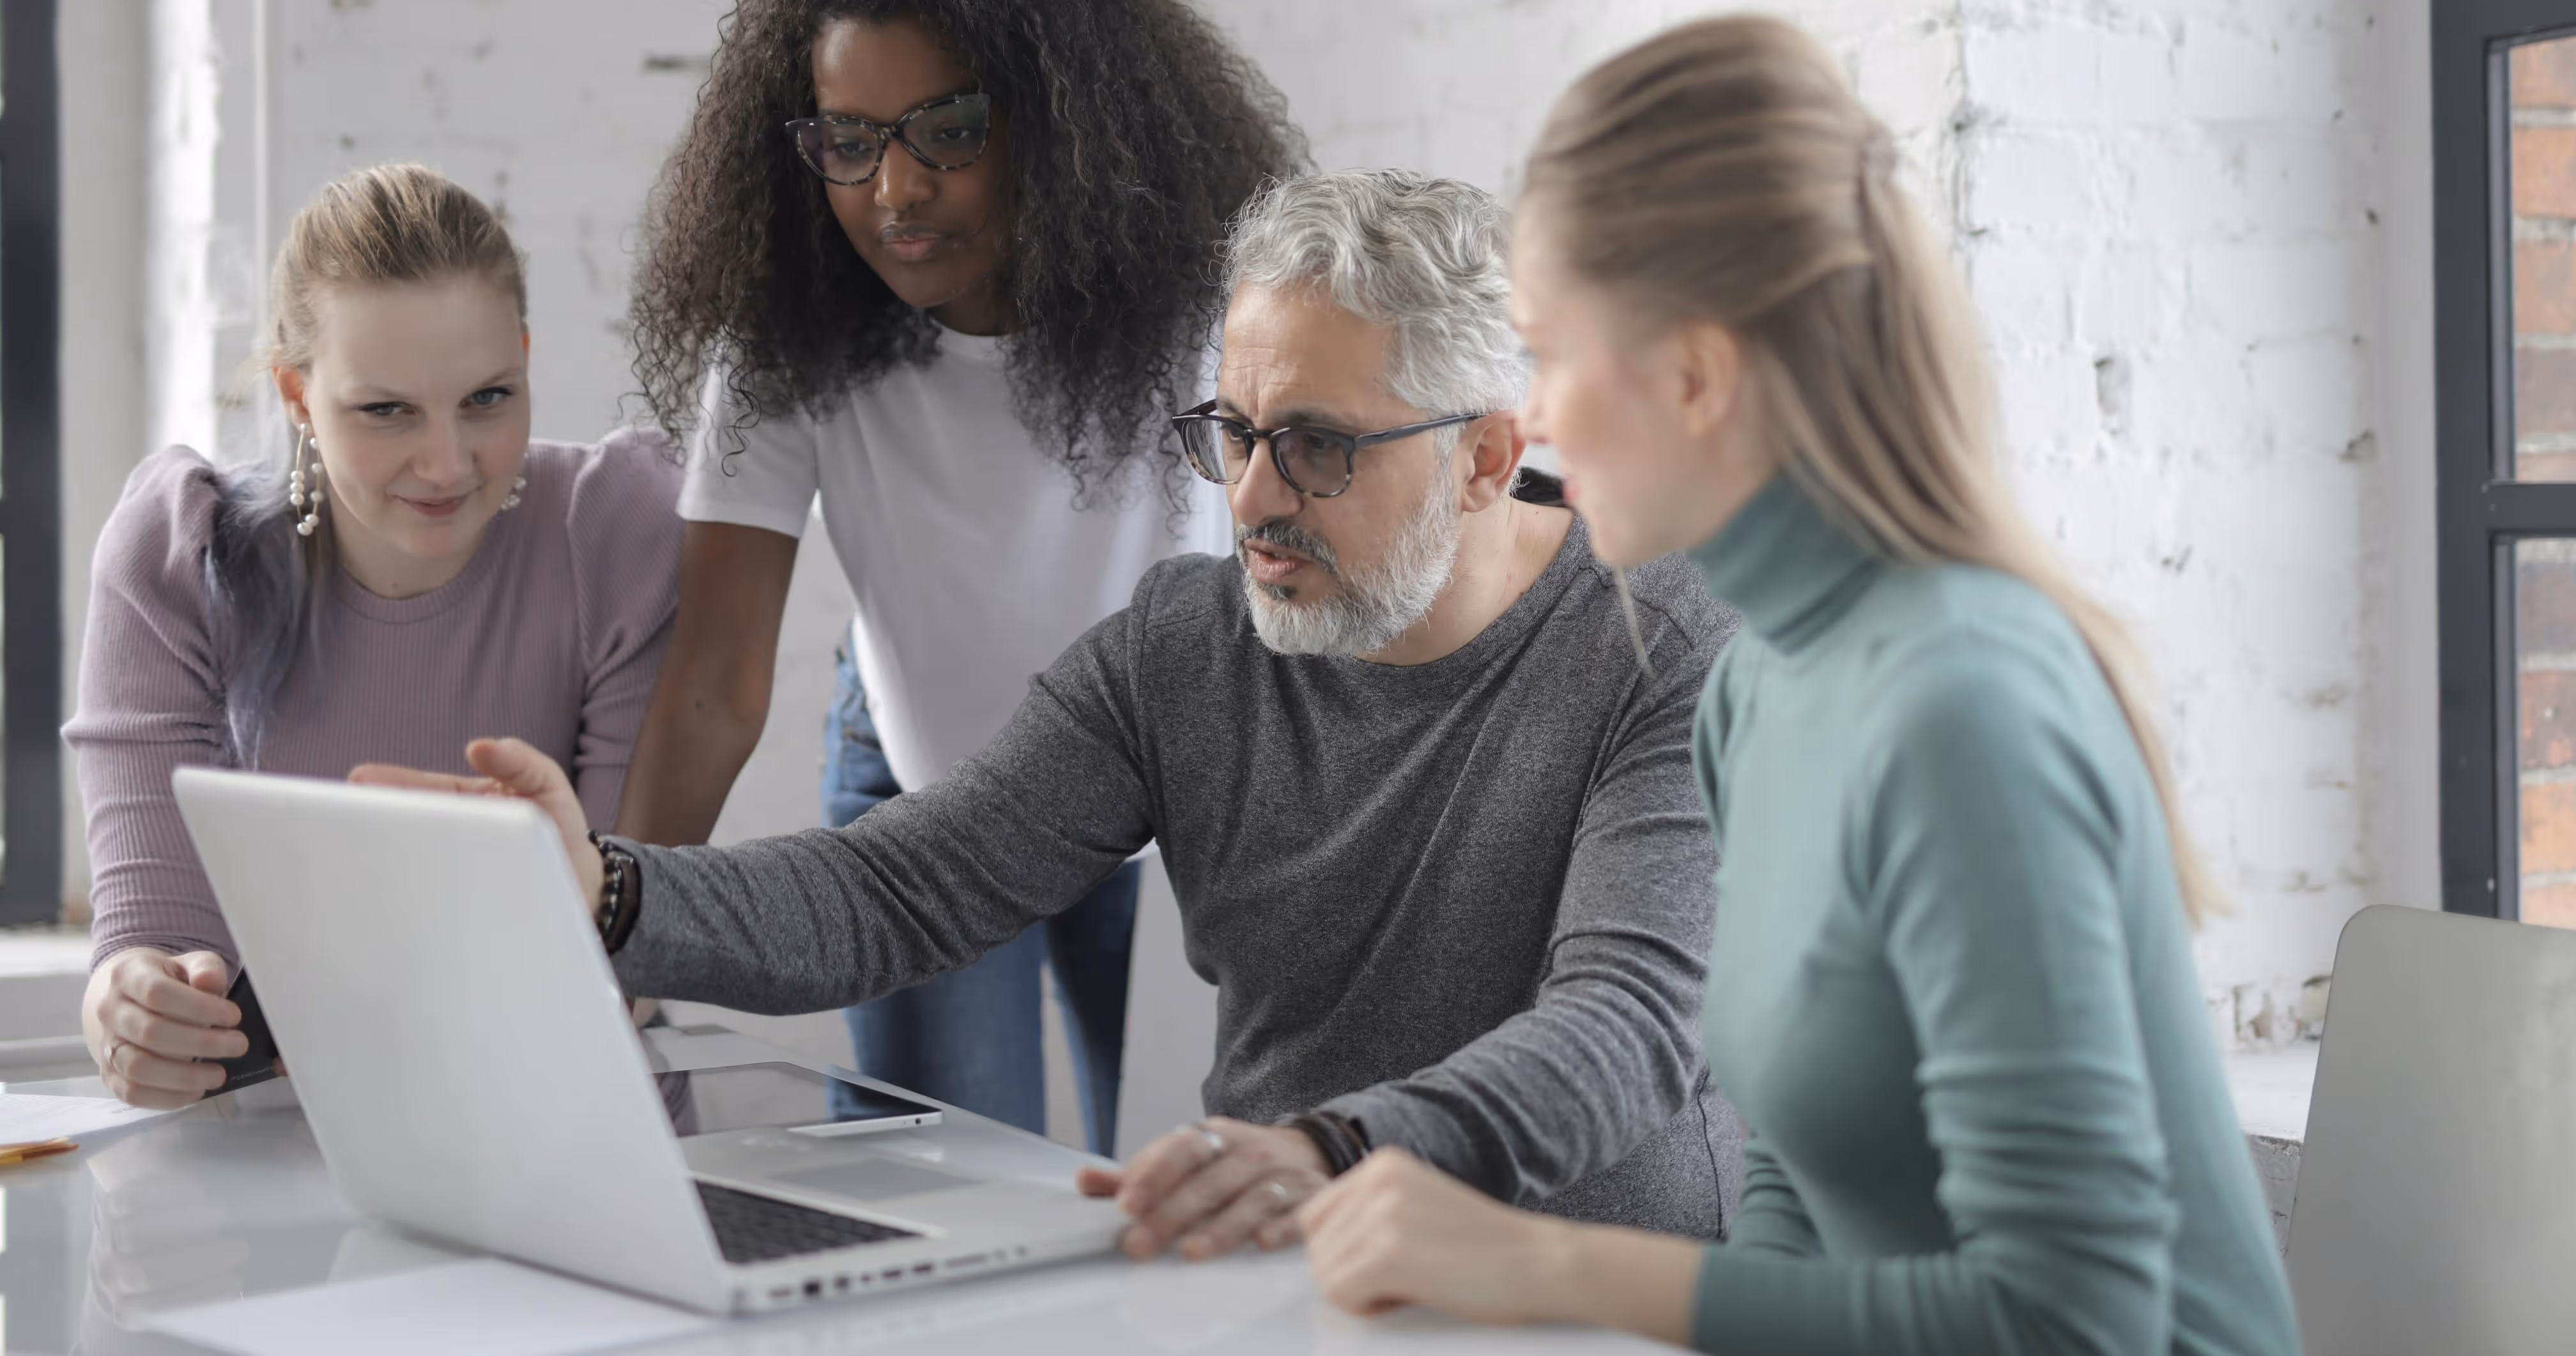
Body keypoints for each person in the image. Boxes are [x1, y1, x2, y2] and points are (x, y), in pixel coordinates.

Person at [361, 170, 1745, 1267]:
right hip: (1298, 1271)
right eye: (1236, 430)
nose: (1252, 498)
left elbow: (1621, 1028)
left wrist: (1326, 1148)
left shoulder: (1662, 644)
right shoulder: (1188, 644)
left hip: (1588, 1291)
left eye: (1316, 446)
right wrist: (603, 884)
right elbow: (900, 886)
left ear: (1485, 455)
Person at [1294, 19, 2301, 1354]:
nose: (1526, 418)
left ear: (1695, 375)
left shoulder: (1963, 707)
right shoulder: (1754, 686)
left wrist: (1546, 1263)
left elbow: (2070, 1321)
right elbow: (1794, 1174)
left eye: (1546, 353)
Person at [615, 0, 1301, 1150]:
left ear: (1060, 124)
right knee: (932, 1200)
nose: (895, 189)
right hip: (923, 795)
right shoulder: (781, 339)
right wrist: (615, 938)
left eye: (948, 130)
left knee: (1172, 1185)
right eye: (849, 139)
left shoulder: (1206, 302)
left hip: (1178, 802)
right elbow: (713, 679)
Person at [66, 164, 681, 1110]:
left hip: (554, 1114)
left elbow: (615, 951)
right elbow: (157, 943)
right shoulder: (180, 559)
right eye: (385, 409)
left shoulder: (613, 534)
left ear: (525, 356)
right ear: (297, 396)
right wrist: (136, 1008)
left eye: (488, 396)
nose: (446, 463)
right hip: (273, 1127)